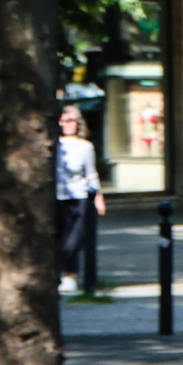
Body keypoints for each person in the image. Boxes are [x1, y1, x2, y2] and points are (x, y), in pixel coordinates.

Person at [55, 106, 105, 296]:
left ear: (78, 124)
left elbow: (91, 174)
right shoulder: (54, 144)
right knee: (58, 237)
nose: (66, 124)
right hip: (56, 196)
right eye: (63, 121)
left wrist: (99, 197)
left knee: (73, 239)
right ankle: (58, 274)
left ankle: (70, 275)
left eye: (70, 121)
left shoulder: (85, 147)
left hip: (78, 197)